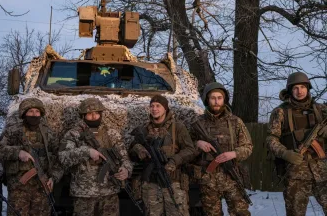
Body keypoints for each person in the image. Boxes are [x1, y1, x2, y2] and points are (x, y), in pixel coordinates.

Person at [58, 97, 132, 216]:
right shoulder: (73, 134)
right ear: (83, 115)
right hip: (84, 193)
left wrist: (126, 170)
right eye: (89, 114)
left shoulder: (111, 133)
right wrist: (86, 152)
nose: (93, 117)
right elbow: (63, 157)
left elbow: (125, 158)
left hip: (110, 192)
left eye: (97, 113)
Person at [266, 72, 327, 215]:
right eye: (295, 88)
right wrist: (285, 154)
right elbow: (271, 139)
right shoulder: (280, 112)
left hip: (322, 171)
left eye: (302, 87)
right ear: (290, 90)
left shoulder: (321, 110)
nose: (299, 91)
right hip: (296, 173)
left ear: (308, 88)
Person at [191, 82, 252, 216]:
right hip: (208, 178)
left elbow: (248, 147)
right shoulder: (198, 122)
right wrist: (197, 143)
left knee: (241, 212)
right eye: (213, 98)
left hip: (232, 176)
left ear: (224, 100)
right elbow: (185, 146)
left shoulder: (235, 122)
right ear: (207, 99)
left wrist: (234, 153)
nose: (216, 101)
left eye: (219, 98)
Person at [0, 97, 62, 216]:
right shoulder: (13, 131)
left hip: (42, 185)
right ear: (24, 113)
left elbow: (60, 157)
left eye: (37, 112)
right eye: (30, 111)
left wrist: (53, 177)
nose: (34, 114)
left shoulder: (48, 133)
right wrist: (17, 152)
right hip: (18, 186)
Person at [129, 95, 195, 216]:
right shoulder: (144, 129)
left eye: (158, 106)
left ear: (165, 108)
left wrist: (174, 161)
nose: (154, 109)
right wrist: (139, 150)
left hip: (173, 182)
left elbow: (190, 150)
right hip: (151, 185)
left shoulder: (177, 127)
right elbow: (131, 151)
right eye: (152, 106)